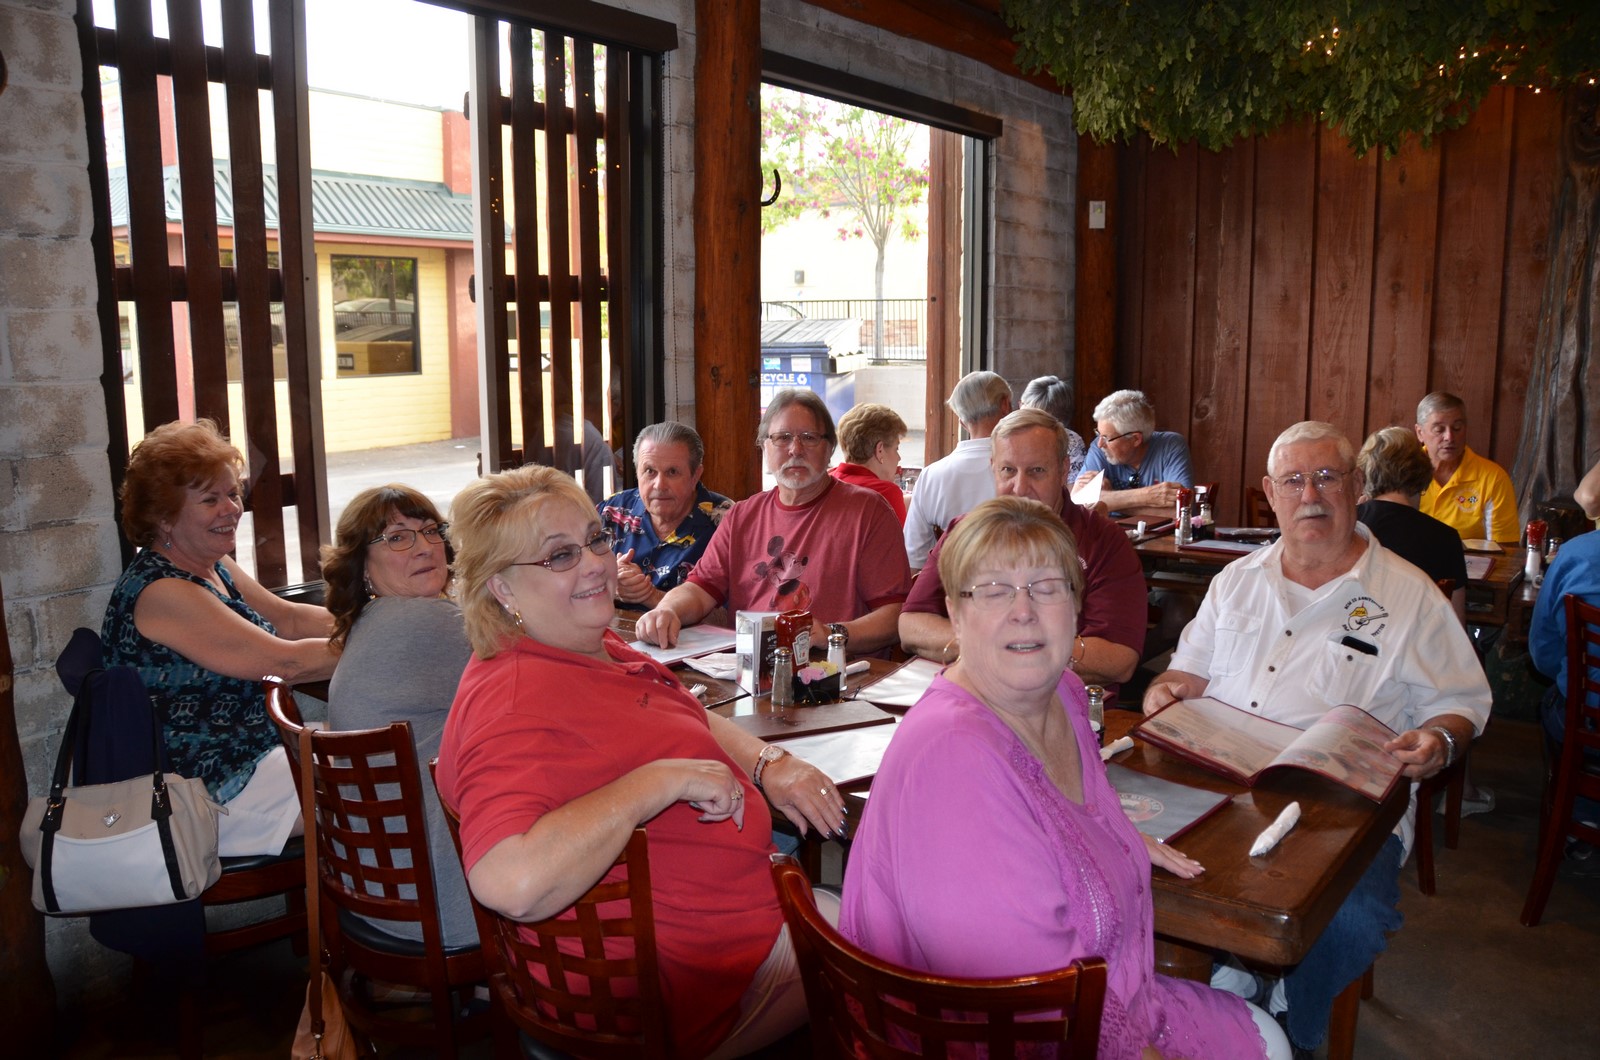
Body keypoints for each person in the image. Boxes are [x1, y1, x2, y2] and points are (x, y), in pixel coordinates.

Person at [842, 497, 1288, 1060]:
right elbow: (1033, 1003)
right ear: (954, 612)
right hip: (990, 1037)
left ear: (1077, 607)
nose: (1023, 611)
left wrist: (1112, 838)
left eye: (1047, 587)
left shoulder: (1066, 695)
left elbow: (1055, 818)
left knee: (1267, 1036)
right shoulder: (953, 757)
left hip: (1109, 991)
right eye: (994, 590)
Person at [434, 464, 848, 1057]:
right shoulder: (515, 702)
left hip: (720, 925)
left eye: (596, 540)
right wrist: (659, 781)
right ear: (501, 588)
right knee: (911, 940)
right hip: (686, 991)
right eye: (560, 556)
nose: (595, 565)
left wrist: (767, 763)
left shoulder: (587, 643)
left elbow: (683, 711)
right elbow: (511, 883)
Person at [1142, 420, 1491, 1056]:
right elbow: (1186, 672)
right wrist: (1168, 689)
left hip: (1341, 808)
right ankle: (1212, 991)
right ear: (1269, 492)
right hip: (1219, 782)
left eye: (1328, 477)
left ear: (1358, 488)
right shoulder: (1235, 580)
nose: (1311, 495)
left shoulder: (1410, 596)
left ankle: (1292, 1026)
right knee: (1126, 866)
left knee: (1348, 921)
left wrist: (1440, 739)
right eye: (1294, 481)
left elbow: (1459, 702)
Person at [102, 419, 335, 858]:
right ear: (164, 516)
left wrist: (371, 620)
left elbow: (288, 618)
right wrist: (381, 642)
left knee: (391, 747)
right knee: (388, 777)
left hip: (254, 755)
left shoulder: (211, 564)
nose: (231, 509)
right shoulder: (162, 590)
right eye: (211, 499)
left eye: (232, 493)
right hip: (210, 792)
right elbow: (286, 662)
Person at [636, 389, 911, 654]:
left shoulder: (869, 512)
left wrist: (831, 634)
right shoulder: (742, 515)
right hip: (748, 667)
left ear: (829, 449)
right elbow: (699, 589)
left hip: (834, 671)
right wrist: (667, 610)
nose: (795, 449)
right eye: (782, 438)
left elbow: (894, 615)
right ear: (764, 447)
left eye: (809, 438)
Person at [899, 408, 1146, 700]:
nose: (1020, 488)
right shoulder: (964, 532)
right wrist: (990, 648)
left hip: (1065, 705)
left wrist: (1009, 650)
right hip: (967, 697)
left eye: (1036, 471)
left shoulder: (1104, 541)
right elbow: (911, 625)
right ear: (993, 468)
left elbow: (1119, 659)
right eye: (1008, 470)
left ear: (1064, 470)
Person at [321, 484, 475, 948]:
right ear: (362, 567)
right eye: (397, 538)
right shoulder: (426, 623)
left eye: (430, 531)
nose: (424, 547)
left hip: (377, 890)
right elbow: (541, 675)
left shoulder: (373, 619)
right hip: (448, 901)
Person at [598, 421, 733, 611]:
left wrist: (650, 595)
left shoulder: (728, 522)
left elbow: (734, 616)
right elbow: (569, 582)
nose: (659, 485)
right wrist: (610, 583)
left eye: (672, 472)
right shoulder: (611, 511)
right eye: (650, 471)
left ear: (695, 475)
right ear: (637, 472)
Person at [1528, 518, 1600, 866]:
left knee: (1560, 705)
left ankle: (1582, 817)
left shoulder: (1577, 553)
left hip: (1589, 721)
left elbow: (1543, 650)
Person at [1355, 426, 1469, 625]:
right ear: (1421, 471)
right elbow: (1455, 622)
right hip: (1417, 639)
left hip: (1355, 634)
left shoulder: (1348, 525)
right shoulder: (1445, 537)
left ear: (1365, 473)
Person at [903, 370, 1012, 571]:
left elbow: (915, 559)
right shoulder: (1027, 470)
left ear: (962, 421)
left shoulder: (931, 476)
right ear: (1006, 405)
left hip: (952, 584)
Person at [1413, 391, 1518, 545]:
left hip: (1468, 561)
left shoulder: (1492, 478)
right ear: (1420, 433)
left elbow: (1504, 548)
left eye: (1457, 428)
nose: (1449, 437)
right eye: (1439, 429)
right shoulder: (1404, 472)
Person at [1075, 388, 1194, 519]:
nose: (1100, 444)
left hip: (1158, 533)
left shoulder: (1171, 445)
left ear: (1136, 439)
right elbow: (1078, 501)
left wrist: (1109, 500)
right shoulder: (1100, 449)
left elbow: (1181, 510)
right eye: (1098, 433)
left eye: (1107, 437)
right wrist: (1148, 495)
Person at [829, 402, 908, 525]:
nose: (899, 458)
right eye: (896, 449)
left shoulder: (827, 481)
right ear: (880, 450)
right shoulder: (886, 493)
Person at [1020, 373, 1089, 481]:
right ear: (1020, 405)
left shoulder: (1071, 442)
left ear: (1060, 420)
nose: (1031, 423)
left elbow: (1073, 488)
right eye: (1028, 414)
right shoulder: (1011, 436)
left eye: (1041, 420)